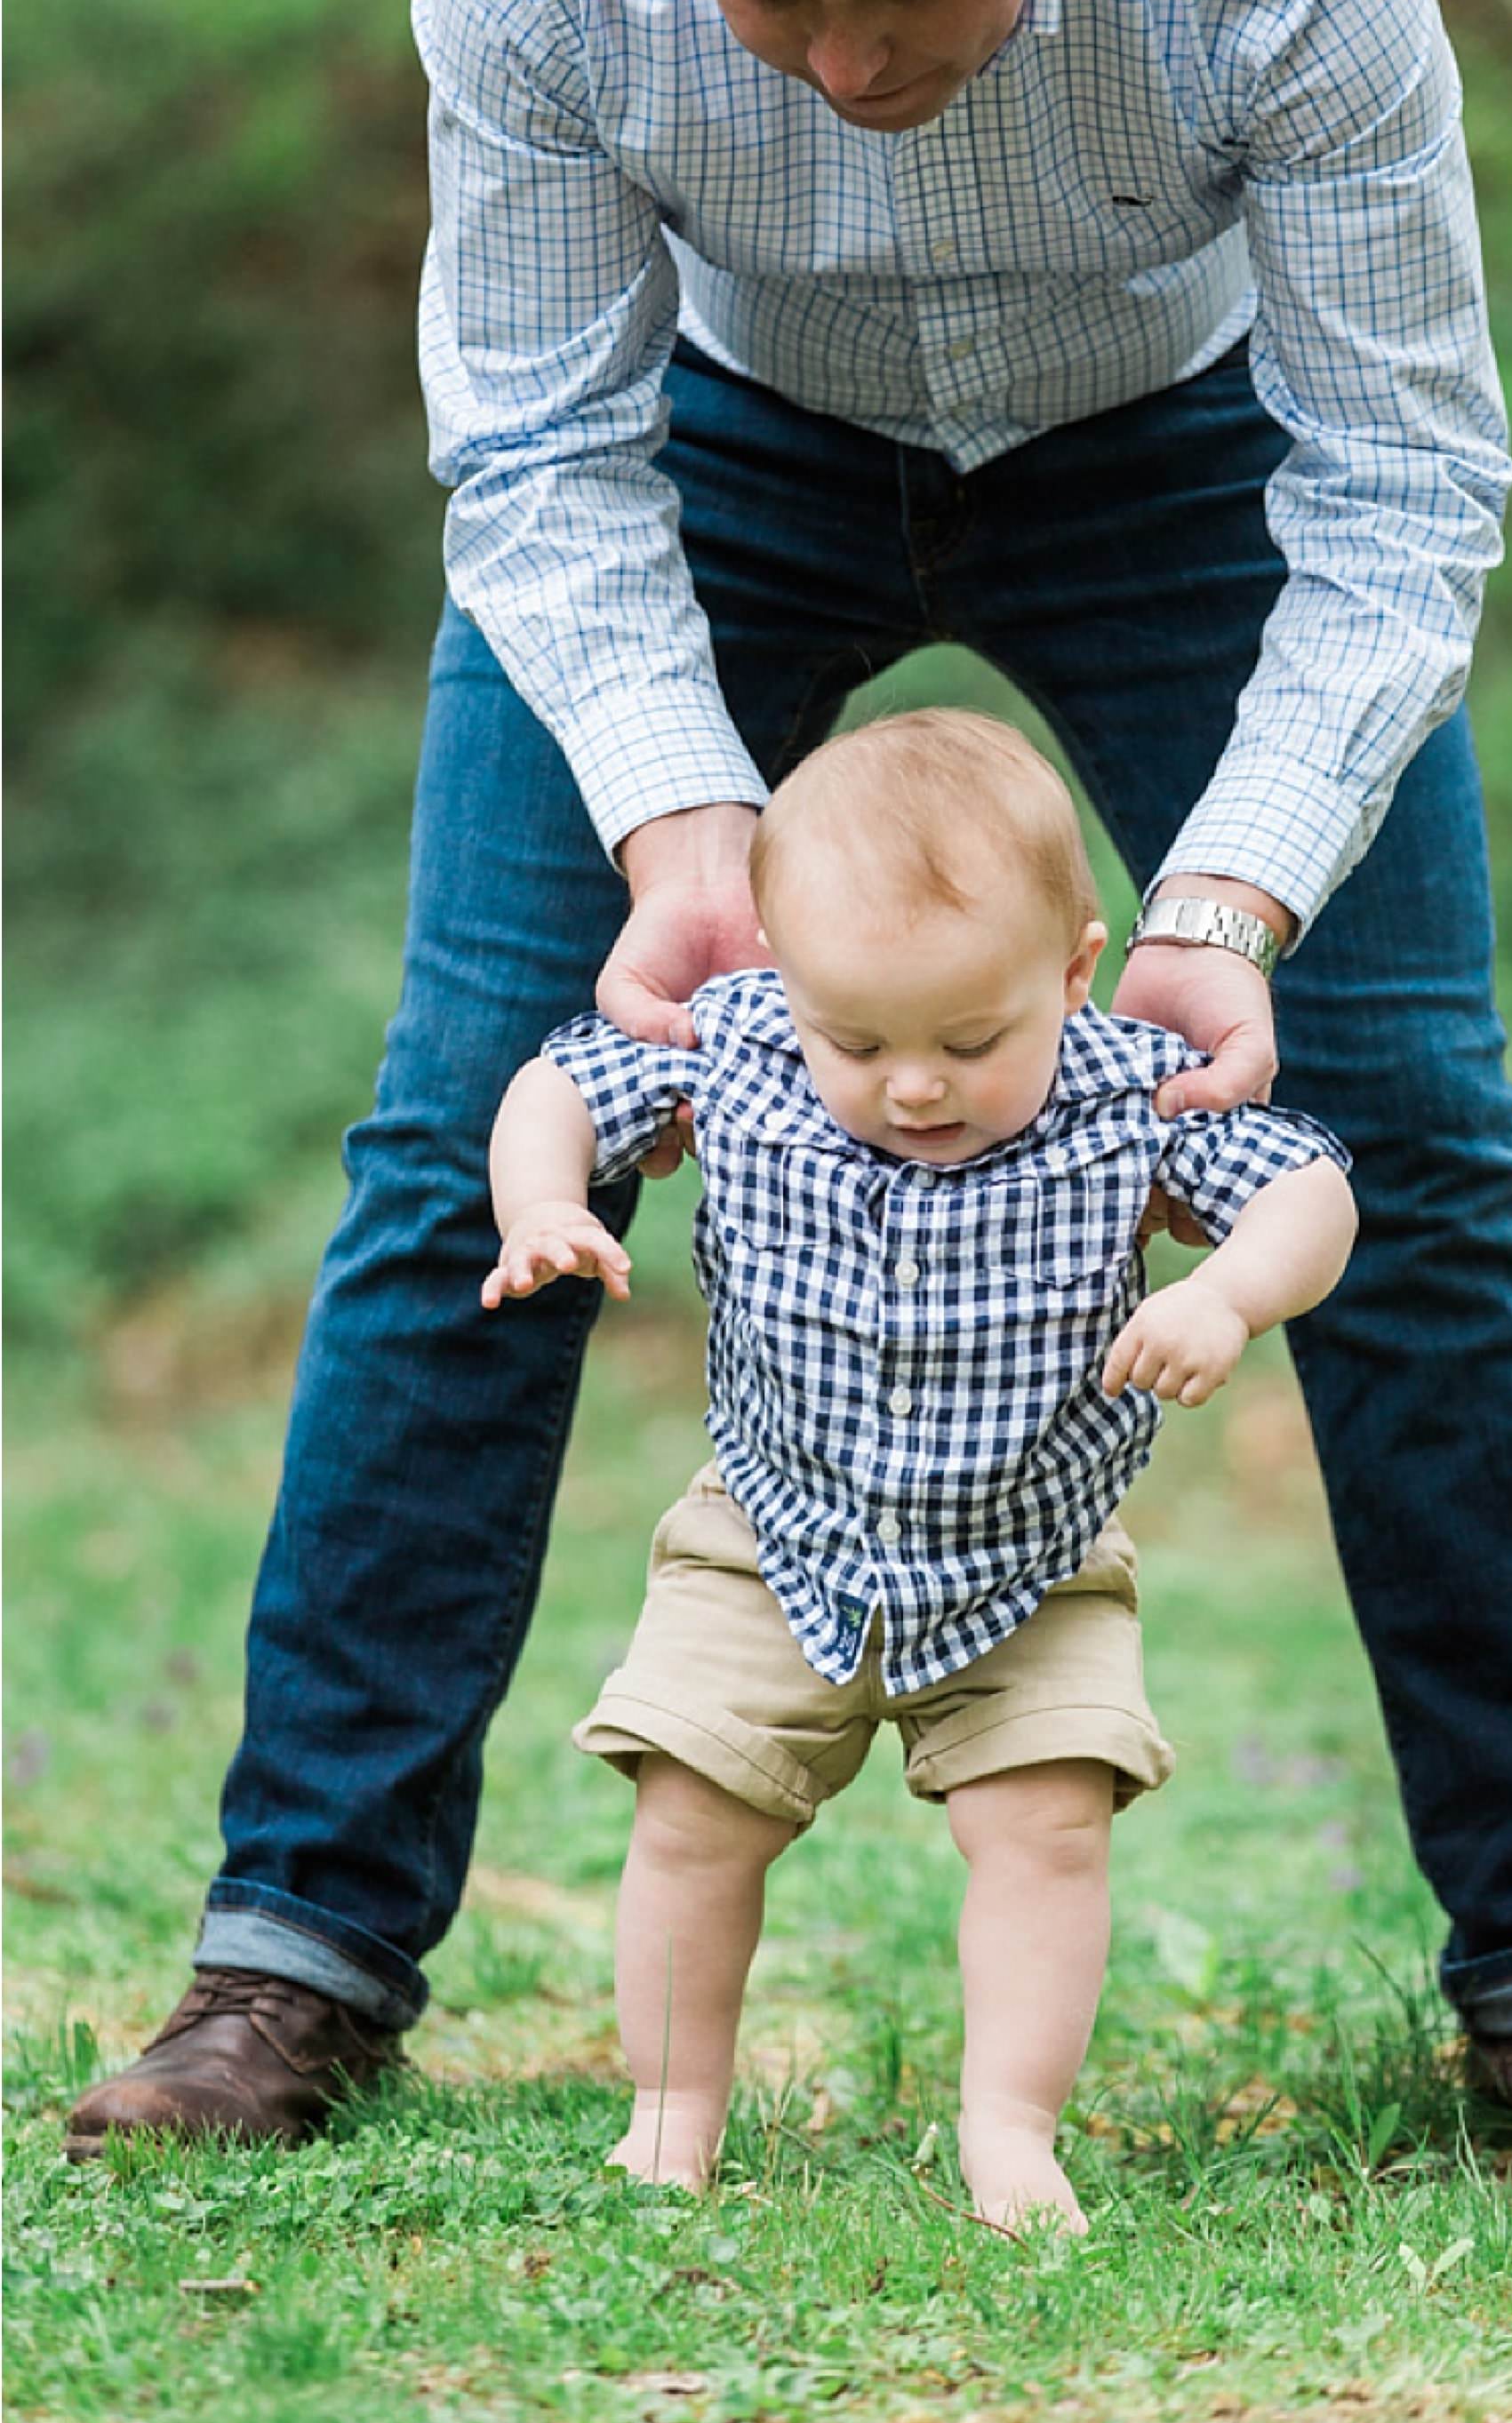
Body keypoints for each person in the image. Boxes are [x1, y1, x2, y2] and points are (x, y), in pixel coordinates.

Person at [69, 0, 1512, 2195]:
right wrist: (681, 827)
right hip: (721, 447)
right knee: (463, 1106)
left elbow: (1410, 467)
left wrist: (1224, 904)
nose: (852, 65)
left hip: (1188, 448)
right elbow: (541, 450)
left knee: (1411, 1138)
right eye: (768, 2)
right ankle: (296, 1957)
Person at [481, 708, 1355, 2227]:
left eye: (969, 1039)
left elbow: (1309, 1185)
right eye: (858, 1039)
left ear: (1075, 972)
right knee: (691, 1807)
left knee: (1047, 1824)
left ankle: (1011, 2128)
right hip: (770, 1532)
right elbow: (561, 1082)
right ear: (781, 977)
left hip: (1036, 1555)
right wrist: (541, 1201)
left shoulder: (1129, 1091)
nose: (912, 1086)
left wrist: (1224, 1290)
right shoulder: (742, 1043)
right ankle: (672, 2110)